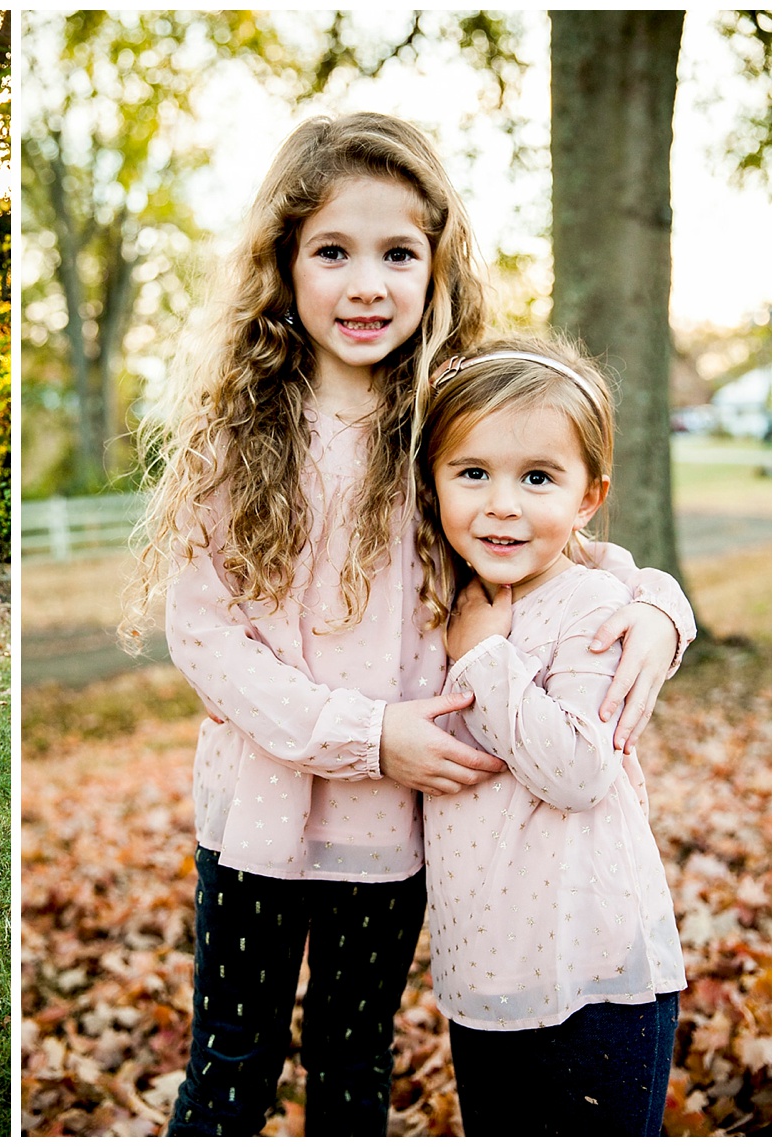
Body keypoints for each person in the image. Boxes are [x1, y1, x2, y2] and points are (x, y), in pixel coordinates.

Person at [123, 113, 695, 1135]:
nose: (365, 284)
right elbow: (204, 638)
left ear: (435, 264)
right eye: (331, 252)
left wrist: (657, 601)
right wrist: (366, 733)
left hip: (390, 830)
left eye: (397, 253)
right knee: (232, 1058)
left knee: (352, 1059)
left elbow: (549, 538)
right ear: (282, 265)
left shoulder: (449, 417)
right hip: (258, 809)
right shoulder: (234, 434)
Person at [416, 338, 685, 1136]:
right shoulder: (447, 595)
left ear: (589, 496)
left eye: (537, 477)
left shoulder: (594, 605)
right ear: (432, 482)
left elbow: (576, 768)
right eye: (473, 473)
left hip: (597, 973)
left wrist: (487, 657)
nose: (502, 503)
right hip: (486, 970)